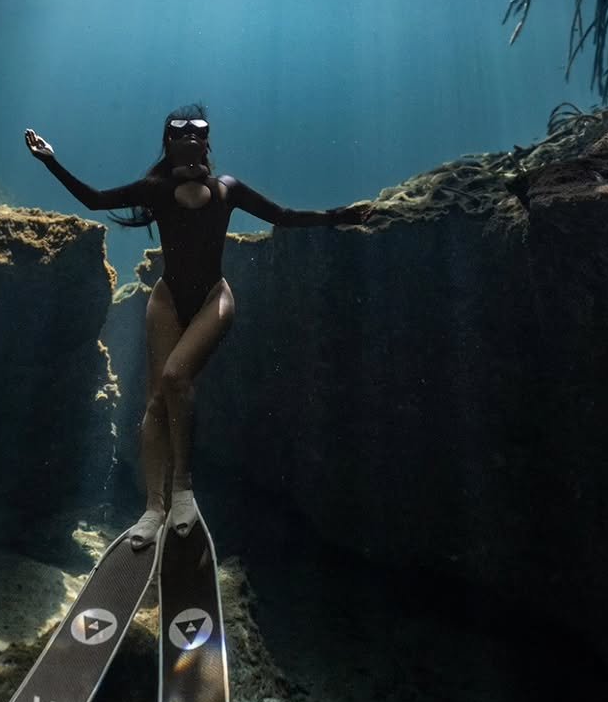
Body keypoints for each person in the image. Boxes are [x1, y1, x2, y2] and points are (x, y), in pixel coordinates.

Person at [25, 106, 370, 549]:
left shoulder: (227, 189)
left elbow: (282, 215)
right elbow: (94, 200)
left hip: (213, 298)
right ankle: (153, 508)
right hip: (167, 298)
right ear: (167, 145)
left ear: (207, 144)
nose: (190, 140)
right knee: (155, 401)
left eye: (198, 135)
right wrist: (51, 159)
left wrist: (338, 215)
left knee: (175, 378)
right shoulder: (156, 189)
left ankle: (183, 492)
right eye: (179, 135)